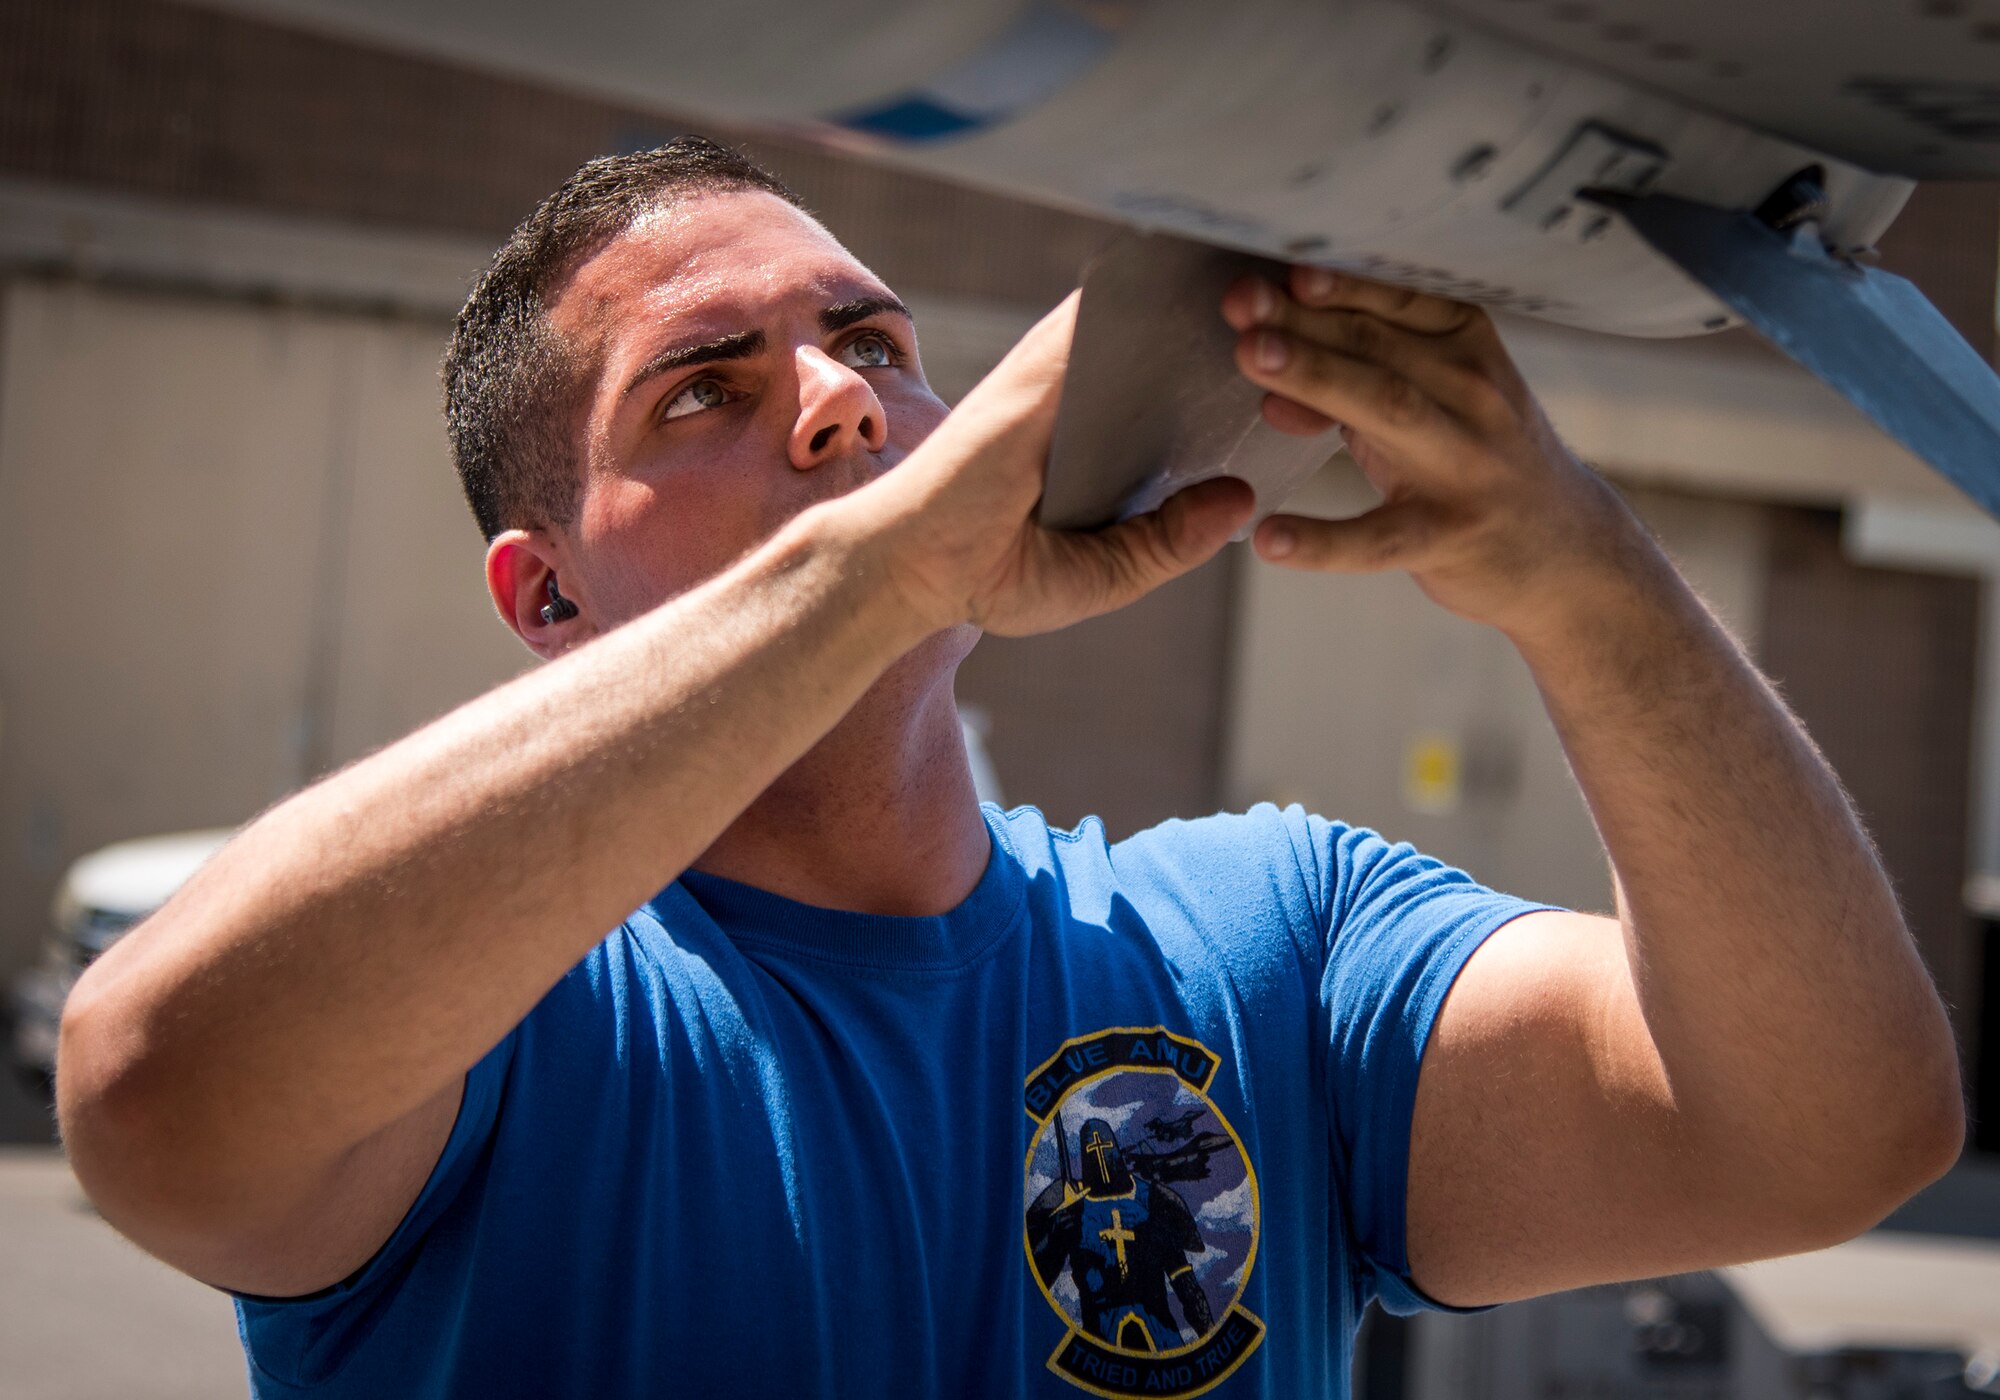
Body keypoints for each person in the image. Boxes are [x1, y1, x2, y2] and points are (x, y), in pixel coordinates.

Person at [55, 137, 1962, 1398]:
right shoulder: (503, 1008)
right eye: (704, 388)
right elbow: (157, 1094)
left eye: (874, 342)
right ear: (544, 591)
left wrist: (1585, 576)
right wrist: (874, 568)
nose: (840, 400)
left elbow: (1830, 1134)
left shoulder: (1269, 942)